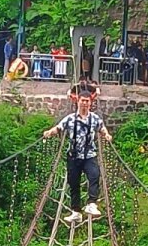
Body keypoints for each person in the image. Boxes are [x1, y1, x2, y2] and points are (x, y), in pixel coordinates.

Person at [41, 89, 111, 224]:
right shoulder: (70, 118)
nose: (84, 103)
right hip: (73, 156)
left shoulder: (95, 118)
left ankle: (91, 203)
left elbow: (102, 128)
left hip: (90, 154)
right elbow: (59, 128)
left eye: (87, 101)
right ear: (77, 102)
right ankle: (76, 211)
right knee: (74, 184)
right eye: (82, 101)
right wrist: (50, 132)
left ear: (91, 103)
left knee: (94, 175)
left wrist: (107, 135)